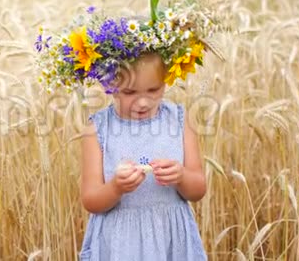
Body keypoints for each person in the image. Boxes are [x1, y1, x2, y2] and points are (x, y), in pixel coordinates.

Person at [78, 52, 208, 260]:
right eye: (129, 92)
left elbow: (198, 189)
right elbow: (91, 200)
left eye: (153, 90)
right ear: (109, 84)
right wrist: (115, 188)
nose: (143, 103)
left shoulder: (180, 121)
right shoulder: (97, 129)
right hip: (120, 244)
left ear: (166, 80)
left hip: (170, 240)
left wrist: (181, 176)